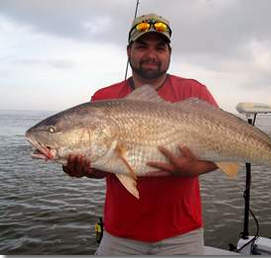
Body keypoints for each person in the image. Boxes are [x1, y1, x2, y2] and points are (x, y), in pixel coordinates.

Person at [62, 13, 219, 255]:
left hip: (183, 234)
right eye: (142, 46)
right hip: (119, 235)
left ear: (169, 53)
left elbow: (229, 149)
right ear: (128, 51)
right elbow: (104, 166)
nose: (151, 55)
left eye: (160, 48)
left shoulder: (194, 92)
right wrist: (84, 169)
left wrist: (192, 169)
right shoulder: (104, 99)